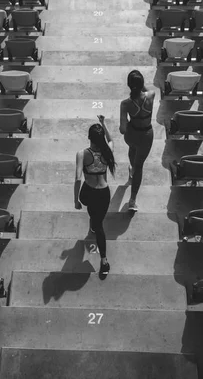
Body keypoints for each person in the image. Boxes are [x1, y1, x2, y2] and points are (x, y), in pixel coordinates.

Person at [74, 115, 115, 276]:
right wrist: (104, 124)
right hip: (104, 193)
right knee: (97, 219)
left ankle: (104, 259)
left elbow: (78, 178)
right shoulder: (108, 151)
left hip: (88, 192)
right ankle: (104, 261)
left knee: (98, 227)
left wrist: (75, 200)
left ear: (89, 138)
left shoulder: (82, 154)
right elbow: (111, 140)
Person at [119, 70, 155, 212]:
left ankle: (131, 170)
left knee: (132, 149)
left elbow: (122, 129)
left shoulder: (125, 104)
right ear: (142, 84)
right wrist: (140, 85)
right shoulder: (151, 96)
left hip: (132, 134)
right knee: (139, 165)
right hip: (146, 135)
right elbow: (147, 90)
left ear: (128, 85)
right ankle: (132, 201)